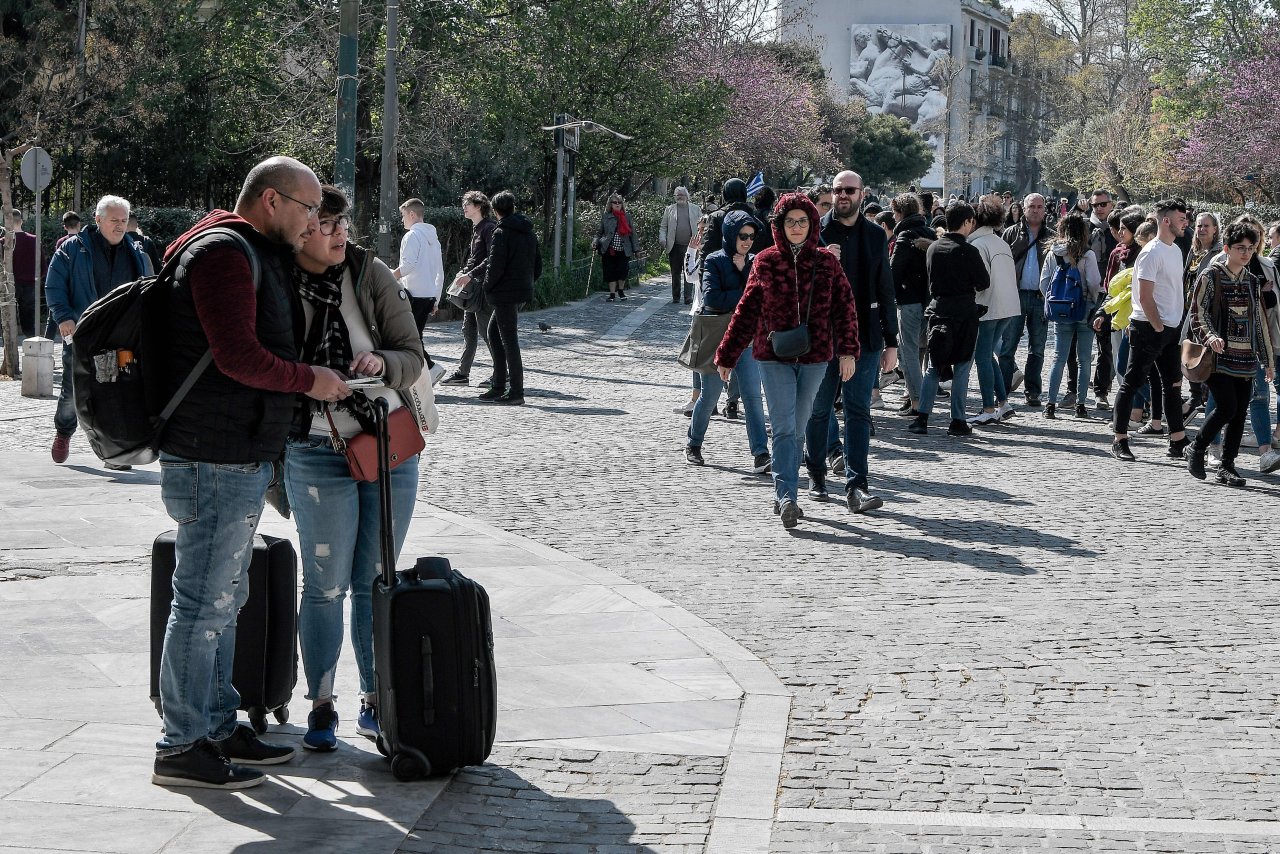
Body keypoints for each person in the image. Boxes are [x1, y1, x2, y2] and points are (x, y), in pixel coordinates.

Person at [152, 156, 353, 789]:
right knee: (202, 604)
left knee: (224, 599)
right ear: (271, 202)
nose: (311, 224)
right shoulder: (222, 254)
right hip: (212, 453)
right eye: (306, 211)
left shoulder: (243, 249)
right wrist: (311, 380)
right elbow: (238, 356)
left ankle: (215, 725)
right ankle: (182, 745)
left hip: (234, 451)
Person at [283, 185, 424, 751]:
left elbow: (412, 357)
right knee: (323, 586)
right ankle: (321, 704)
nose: (342, 234)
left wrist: (381, 362)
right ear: (301, 229)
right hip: (316, 450)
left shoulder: (370, 274)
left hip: (387, 443)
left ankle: (375, 699)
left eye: (345, 224)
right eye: (329, 225)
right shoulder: (276, 282)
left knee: (375, 579)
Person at [714, 193, 859, 529]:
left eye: (803, 221)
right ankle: (787, 496)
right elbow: (746, 311)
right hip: (772, 355)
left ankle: (786, 489)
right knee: (782, 425)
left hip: (815, 356)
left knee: (798, 427)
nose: (796, 227)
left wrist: (848, 350)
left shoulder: (827, 263)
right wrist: (728, 354)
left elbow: (845, 308)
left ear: (812, 225)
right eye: (790, 221)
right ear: (779, 225)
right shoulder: (764, 261)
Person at [804, 170, 898, 513]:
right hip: (823, 338)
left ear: (862, 193)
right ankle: (816, 473)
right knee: (819, 410)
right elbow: (798, 285)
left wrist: (892, 342)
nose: (843, 195)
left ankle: (857, 486)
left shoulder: (875, 235)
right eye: (837, 190)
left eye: (849, 190)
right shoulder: (815, 232)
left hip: (865, 339)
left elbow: (886, 289)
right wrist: (820, 261)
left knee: (859, 413)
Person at [44, 195, 153, 468]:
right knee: (73, 390)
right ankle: (63, 432)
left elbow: (150, 289)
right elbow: (53, 285)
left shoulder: (138, 252)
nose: (119, 226)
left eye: (124, 221)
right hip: (83, 333)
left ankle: (115, 451)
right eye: (114, 220)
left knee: (120, 393)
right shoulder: (71, 249)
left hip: (123, 337)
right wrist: (64, 318)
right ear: (98, 220)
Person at [1185, 221, 1275, 485]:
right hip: (1217, 358)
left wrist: (1267, 360)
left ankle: (1227, 466)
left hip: (1246, 358)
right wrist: (1211, 336)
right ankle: (1197, 447)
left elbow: (1258, 321)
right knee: (1226, 407)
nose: (1246, 253)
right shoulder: (1211, 276)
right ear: (1227, 248)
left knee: (1238, 414)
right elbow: (1197, 313)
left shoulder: (1251, 281)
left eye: (1250, 248)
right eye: (1240, 248)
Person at [684, 211, 769, 473]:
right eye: (742, 236)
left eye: (752, 237)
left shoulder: (755, 262)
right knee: (709, 397)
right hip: (719, 339)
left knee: (753, 398)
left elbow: (763, 298)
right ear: (731, 235)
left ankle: (761, 453)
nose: (747, 241)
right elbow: (712, 299)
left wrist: (744, 273)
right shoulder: (714, 260)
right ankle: (694, 443)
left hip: (746, 339)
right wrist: (745, 287)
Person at [1110, 199, 1192, 462]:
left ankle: (1177, 439)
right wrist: (1157, 325)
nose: (1185, 223)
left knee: (1173, 386)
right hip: (1148, 327)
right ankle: (1120, 439)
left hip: (1170, 328)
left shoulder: (1176, 250)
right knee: (1132, 382)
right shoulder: (1151, 252)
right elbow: (1145, 296)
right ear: (1166, 221)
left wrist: (1172, 326)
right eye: (1181, 219)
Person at [908, 201, 990, 436]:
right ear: (967, 222)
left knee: (934, 366)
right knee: (962, 366)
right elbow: (983, 282)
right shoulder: (969, 251)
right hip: (964, 312)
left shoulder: (933, 248)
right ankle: (957, 420)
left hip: (938, 310)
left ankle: (922, 418)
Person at [480, 191, 540, 404]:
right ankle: (498, 385)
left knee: (509, 341)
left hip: (504, 293)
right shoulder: (529, 232)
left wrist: (487, 288)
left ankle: (516, 392)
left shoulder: (501, 232)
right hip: (521, 290)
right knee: (494, 334)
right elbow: (538, 265)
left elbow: (494, 266)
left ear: (496, 211)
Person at [1041, 212, 1103, 419]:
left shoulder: (1054, 253)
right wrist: (1093, 301)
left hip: (1061, 310)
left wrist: (1054, 300)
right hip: (1084, 308)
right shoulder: (1087, 254)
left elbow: (1044, 282)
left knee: (1058, 357)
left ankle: (1050, 404)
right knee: (1084, 359)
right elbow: (1094, 283)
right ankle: (1081, 405)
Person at [966, 195, 1020, 424]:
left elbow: (979, 280)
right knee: (988, 355)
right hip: (1008, 306)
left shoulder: (977, 244)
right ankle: (1003, 403)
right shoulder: (1000, 242)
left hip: (987, 307)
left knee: (982, 357)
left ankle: (989, 408)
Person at [441, 191, 498, 387]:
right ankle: (462, 374)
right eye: (464, 203)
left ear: (479, 206)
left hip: (481, 287)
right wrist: (463, 272)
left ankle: (502, 373)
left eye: (468, 204)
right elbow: (475, 258)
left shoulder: (489, 228)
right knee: (469, 330)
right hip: (472, 287)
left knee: (486, 330)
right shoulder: (476, 228)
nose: (464, 207)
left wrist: (471, 274)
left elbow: (492, 257)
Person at [1000, 192, 1051, 406]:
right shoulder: (1011, 233)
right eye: (1032, 206)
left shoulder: (1051, 236)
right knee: (1008, 344)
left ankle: (1033, 390)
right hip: (1016, 295)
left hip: (1040, 297)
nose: (1036, 210)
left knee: (1037, 346)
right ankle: (1001, 389)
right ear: (1024, 208)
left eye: (1040, 206)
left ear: (1045, 209)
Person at [889, 193, 935, 416]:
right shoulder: (930, 232)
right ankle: (915, 397)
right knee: (918, 352)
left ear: (899, 213)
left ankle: (917, 401)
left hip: (909, 301)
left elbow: (894, 272)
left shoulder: (905, 236)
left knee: (908, 353)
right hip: (928, 299)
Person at [392, 198, 445, 385]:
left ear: (412, 214)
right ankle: (426, 371)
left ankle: (430, 369)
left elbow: (408, 265)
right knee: (415, 336)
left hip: (413, 294)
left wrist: (390, 277)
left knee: (409, 337)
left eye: (403, 216)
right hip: (429, 294)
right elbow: (440, 271)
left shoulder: (412, 236)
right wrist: (436, 300)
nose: (402, 220)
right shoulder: (434, 239)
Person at [659, 187, 702, 304]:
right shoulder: (669, 209)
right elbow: (663, 227)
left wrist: (701, 242)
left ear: (687, 196)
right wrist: (662, 239)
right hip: (675, 246)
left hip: (691, 246)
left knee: (689, 271)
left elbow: (702, 227)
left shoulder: (695, 209)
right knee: (675, 272)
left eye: (682, 195)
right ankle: (676, 296)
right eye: (677, 195)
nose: (679, 197)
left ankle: (688, 297)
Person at [596, 194, 638, 301]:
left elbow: (633, 233)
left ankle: (621, 291)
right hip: (609, 249)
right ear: (611, 204)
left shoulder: (627, 217)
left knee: (622, 271)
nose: (617, 204)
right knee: (610, 272)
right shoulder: (606, 217)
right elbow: (599, 233)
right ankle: (612, 294)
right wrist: (595, 242)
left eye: (619, 202)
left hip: (624, 249)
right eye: (615, 202)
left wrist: (636, 249)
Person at [4, 209, 37, 336]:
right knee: (28, 319)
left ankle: (8, 342)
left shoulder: (4, 242)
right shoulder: (34, 240)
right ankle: (30, 344)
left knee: (7, 316)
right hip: (29, 283)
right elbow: (43, 266)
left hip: (9, 283)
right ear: (21, 221)